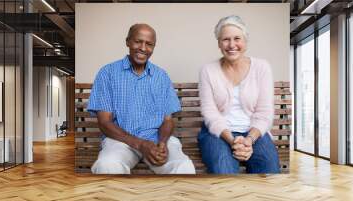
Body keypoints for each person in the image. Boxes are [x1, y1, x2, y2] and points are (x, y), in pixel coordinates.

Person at [87, 23, 195, 174]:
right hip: (121, 142)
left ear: (153, 47)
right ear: (128, 42)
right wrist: (140, 144)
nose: (143, 48)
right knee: (107, 166)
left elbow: (168, 120)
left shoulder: (161, 76)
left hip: (157, 141)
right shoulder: (107, 73)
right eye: (138, 41)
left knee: (184, 168)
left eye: (149, 44)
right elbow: (104, 122)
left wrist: (162, 143)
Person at [198, 15, 280, 174]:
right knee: (224, 170)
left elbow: (264, 113)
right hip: (218, 133)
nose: (231, 45)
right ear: (219, 43)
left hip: (254, 132)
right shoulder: (207, 70)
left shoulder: (262, 67)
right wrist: (233, 141)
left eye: (237, 38)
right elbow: (210, 113)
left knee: (269, 171)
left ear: (245, 41)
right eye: (225, 39)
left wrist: (249, 140)